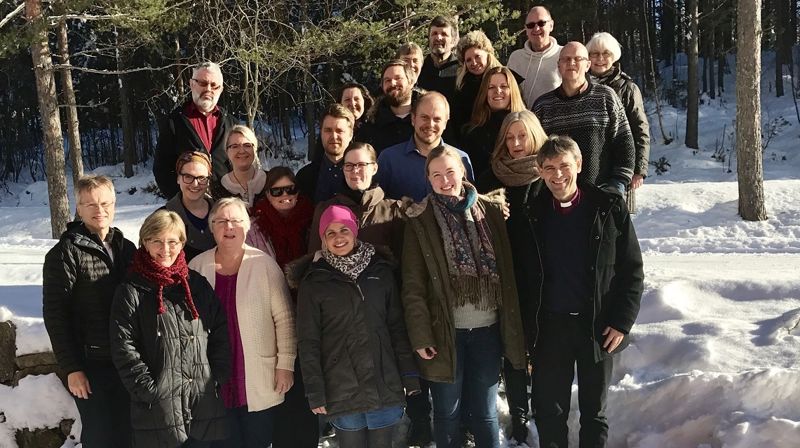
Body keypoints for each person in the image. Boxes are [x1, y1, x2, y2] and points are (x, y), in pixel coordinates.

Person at [519, 135, 644, 448]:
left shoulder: (608, 207)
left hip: (597, 325)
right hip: (550, 328)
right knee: (549, 410)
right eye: (549, 168)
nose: (557, 174)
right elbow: (523, 279)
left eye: (564, 165)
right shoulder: (531, 214)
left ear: (578, 164)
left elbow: (631, 270)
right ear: (540, 171)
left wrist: (621, 322)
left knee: (594, 411)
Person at [401, 146, 526, 448]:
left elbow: (509, 272)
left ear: (463, 172)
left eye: (450, 172)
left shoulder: (491, 212)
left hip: (488, 331)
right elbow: (413, 286)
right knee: (447, 413)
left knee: (485, 413)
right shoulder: (420, 220)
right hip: (445, 334)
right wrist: (421, 336)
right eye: (436, 175)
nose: (445, 181)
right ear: (428, 179)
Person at [289, 205, 420, 448]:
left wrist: (409, 374)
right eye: (330, 233)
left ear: (354, 231)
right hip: (341, 386)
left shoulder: (380, 271)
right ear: (323, 239)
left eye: (344, 230)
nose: (338, 238)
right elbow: (308, 342)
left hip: (383, 380)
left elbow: (396, 327)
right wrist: (315, 391)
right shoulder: (314, 281)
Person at [110, 209, 230, 447]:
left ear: (182, 243)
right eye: (157, 241)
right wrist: (150, 390)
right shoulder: (131, 290)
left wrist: (216, 376)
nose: (165, 249)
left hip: (202, 403)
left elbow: (219, 331)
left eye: (172, 242)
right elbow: (124, 347)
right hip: (159, 410)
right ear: (145, 242)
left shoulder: (196, 285)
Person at [189, 198, 297, 448]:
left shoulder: (264, 265)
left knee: (257, 440)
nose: (229, 227)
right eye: (221, 221)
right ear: (212, 227)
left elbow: (285, 319)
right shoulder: (197, 267)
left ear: (247, 227)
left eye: (236, 221)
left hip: (257, 374)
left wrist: (286, 365)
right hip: (214, 376)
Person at [43, 174, 136, 447]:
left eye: (105, 203)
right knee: (100, 436)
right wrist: (73, 368)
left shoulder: (126, 248)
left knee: (130, 434)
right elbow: (56, 315)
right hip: (92, 363)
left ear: (114, 205)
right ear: (79, 208)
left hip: (128, 359)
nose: (100, 210)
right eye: (91, 204)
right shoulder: (65, 253)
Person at [475, 110, 548, 443]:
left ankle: (544, 407)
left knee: (541, 345)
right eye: (510, 137)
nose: (516, 144)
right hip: (503, 274)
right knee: (512, 346)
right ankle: (518, 413)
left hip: (543, 275)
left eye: (523, 136)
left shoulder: (547, 174)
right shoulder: (491, 178)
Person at [533, 42, 635, 195]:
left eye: (577, 59)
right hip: (556, 195)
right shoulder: (543, 105)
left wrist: (617, 184)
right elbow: (535, 153)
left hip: (601, 192)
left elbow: (624, 142)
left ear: (588, 65)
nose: (571, 63)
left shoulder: (606, 97)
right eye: (566, 59)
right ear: (558, 65)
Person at [586, 32, 651, 213]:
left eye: (605, 53)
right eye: (594, 53)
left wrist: (639, 169)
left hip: (620, 165)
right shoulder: (579, 85)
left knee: (617, 218)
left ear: (614, 57)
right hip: (588, 166)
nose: (600, 59)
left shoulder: (627, 88)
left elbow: (640, 128)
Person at [307, 142, 404, 258]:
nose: (355, 170)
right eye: (349, 165)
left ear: (374, 168)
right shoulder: (325, 210)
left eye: (361, 165)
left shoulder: (393, 210)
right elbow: (315, 258)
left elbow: (403, 260)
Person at [154, 62, 236, 198]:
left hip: (226, 204)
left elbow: (243, 164)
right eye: (203, 83)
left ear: (221, 89)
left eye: (214, 85)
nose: (208, 89)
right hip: (191, 204)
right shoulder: (175, 122)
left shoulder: (231, 123)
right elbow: (162, 169)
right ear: (192, 84)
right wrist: (181, 200)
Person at [377, 91, 474, 201]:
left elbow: (470, 202)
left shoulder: (461, 159)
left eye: (437, 119)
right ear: (413, 119)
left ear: (445, 123)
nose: (430, 124)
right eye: (424, 117)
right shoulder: (389, 159)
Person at [461, 66, 526, 179]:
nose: (498, 91)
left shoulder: (528, 125)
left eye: (504, 86)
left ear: (512, 90)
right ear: (485, 93)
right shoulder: (471, 132)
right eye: (491, 87)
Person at [250, 167, 315, 269]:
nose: (285, 194)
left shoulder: (312, 219)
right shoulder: (256, 227)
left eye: (290, 189)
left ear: (297, 192)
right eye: (277, 191)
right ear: (268, 195)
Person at [163, 151, 216, 261]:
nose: (195, 184)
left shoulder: (223, 213)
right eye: (188, 177)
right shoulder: (163, 217)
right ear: (178, 178)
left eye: (202, 178)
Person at [296, 104, 354, 204]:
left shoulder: (362, 174)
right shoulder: (305, 177)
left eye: (339, 131)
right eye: (328, 130)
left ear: (350, 135)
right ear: (321, 133)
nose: (334, 136)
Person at [359, 59, 420, 154]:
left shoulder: (426, 120)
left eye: (398, 78)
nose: (392, 83)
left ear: (411, 82)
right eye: (387, 80)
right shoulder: (371, 125)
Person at [507, 6, 563, 108]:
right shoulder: (515, 58)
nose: (536, 29)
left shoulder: (564, 55)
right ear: (526, 29)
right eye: (531, 25)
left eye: (541, 23)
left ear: (551, 25)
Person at [451, 30, 501, 143]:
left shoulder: (505, 79)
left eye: (477, 56)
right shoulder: (463, 89)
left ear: (487, 54)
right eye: (468, 60)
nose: (474, 63)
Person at [210, 125, 267, 207]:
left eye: (247, 145)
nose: (241, 151)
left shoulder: (272, 181)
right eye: (235, 146)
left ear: (255, 149)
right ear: (227, 151)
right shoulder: (218, 189)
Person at [417, 15, 459, 102]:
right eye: (434, 33)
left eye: (444, 34)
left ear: (453, 41)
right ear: (429, 38)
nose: (438, 38)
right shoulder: (419, 69)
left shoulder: (461, 70)